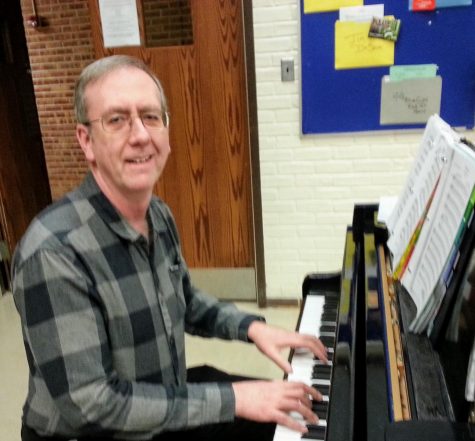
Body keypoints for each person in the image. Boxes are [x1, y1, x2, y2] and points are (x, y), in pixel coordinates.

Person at [12, 55, 328, 441]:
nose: (140, 134)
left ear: (166, 131)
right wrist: (233, 400)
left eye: (150, 116)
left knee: (291, 413)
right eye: (116, 120)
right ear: (86, 141)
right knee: (252, 405)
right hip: (94, 431)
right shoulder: (52, 251)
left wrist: (253, 328)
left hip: (160, 399)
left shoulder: (157, 215)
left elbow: (185, 300)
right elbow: (90, 405)